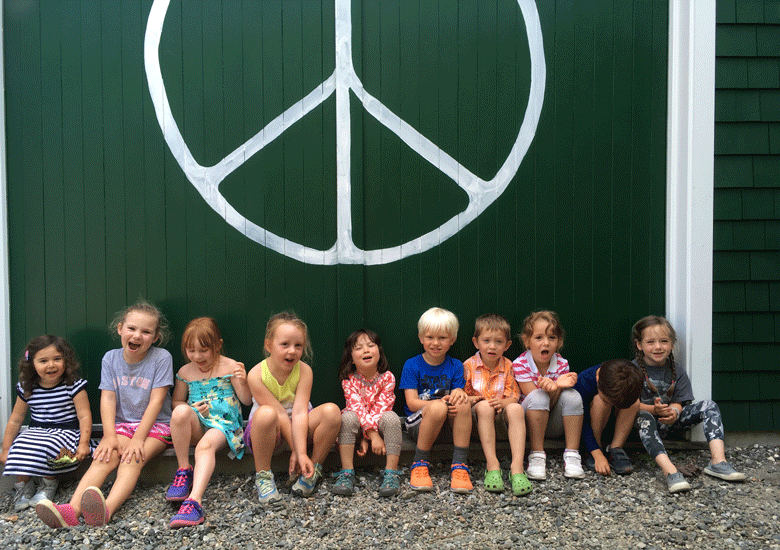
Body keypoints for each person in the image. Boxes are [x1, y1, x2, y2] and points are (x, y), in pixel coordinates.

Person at [36, 300, 174, 528]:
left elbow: (156, 401)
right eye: (132, 328)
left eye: (146, 331)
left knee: (131, 460)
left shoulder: (161, 358)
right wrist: (109, 436)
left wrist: (138, 438)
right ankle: (71, 510)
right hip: (123, 425)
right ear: (120, 329)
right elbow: (108, 398)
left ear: (156, 337)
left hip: (155, 425)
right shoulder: (110, 358)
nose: (137, 335)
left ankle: (106, 510)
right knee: (103, 457)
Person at [631, 315, 745, 493]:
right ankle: (670, 472)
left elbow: (679, 402)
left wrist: (674, 413)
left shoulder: (677, 370)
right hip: (642, 427)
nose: (658, 347)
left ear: (672, 344)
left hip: (670, 423)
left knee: (709, 405)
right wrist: (653, 409)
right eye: (650, 342)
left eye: (664, 341)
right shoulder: (633, 370)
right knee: (643, 416)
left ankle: (718, 461)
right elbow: (630, 405)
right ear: (639, 345)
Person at [245, 312, 341, 504]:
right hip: (270, 432)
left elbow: (298, 412)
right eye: (285, 344)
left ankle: (311, 470)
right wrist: (297, 450)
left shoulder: (304, 370)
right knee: (266, 414)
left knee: (332, 412)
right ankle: (263, 476)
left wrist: (301, 453)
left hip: (301, 427)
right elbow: (280, 413)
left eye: (298, 345)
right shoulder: (256, 374)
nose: (292, 351)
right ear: (268, 345)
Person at [166, 318, 252, 527]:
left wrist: (242, 380)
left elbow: (247, 401)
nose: (197, 356)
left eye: (203, 350)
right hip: (199, 422)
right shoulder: (185, 372)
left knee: (205, 446)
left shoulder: (230, 366)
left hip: (224, 425)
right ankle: (184, 470)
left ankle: (194, 501)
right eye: (191, 350)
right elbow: (176, 402)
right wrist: (193, 408)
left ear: (218, 345)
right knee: (180, 413)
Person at [1, 336, 94, 511]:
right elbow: (15, 419)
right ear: (32, 363)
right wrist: (6, 449)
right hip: (36, 430)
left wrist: (84, 443)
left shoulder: (73, 386)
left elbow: (84, 416)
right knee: (20, 443)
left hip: (66, 432)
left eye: (57, 359)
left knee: (48, 445)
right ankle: (24, 487)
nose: (51, 365)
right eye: (43, 361)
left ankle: (48, 485)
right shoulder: (27, 387)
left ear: (66, 361)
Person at [399, 307, 473, 494]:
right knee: (439, 407)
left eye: (442, 338)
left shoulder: (456, 365)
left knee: (463, 402)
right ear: (421, 338)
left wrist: (458, 396)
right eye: (430, 337)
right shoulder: (412, 364)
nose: (435, 343)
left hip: (447, 424)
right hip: (419, 424)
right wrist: (440, 405)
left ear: (452, 340)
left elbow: (457, 393)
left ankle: (459, 465)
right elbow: (412, 403)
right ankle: (420, 463)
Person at [463, 314, 532, 496]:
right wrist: (476, 400)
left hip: (501, 419)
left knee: (516, 408)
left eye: (498, 342)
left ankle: (517, 467)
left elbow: (514, 396)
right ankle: (492, 465)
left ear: (507, 345)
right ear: (476, 342)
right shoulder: (468, 366)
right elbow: (464, 396)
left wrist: (503, 402)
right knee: (485, 406)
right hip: (478, 422)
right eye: (486, 340)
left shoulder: (508, 366)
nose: (492, 346)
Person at [513, 311, 584, 480]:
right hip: (530, 423)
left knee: (573, 396)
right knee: (539, 395)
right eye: (538, 338)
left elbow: (559, 398)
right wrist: (556, 386)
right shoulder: (520, 364)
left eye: (552, 338)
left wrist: (559, 385)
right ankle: (537, 454)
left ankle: (572, 454)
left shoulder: (562, 364)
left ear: (559, 342)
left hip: (553, 423)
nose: (545, 343)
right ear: (526, 341)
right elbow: (533, 398)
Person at [332, 329, 403, 497]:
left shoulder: (387, 378)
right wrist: (370, 436)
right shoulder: (349, 380)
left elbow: (382, 408)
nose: (366, 350)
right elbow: (357, 408)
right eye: (358, 348)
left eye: (371, 346)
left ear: (379, 351)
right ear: (351, 357)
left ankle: (391, 472)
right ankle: (347, 472)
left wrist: (372, 435)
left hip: (379, 426)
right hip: (357, 429)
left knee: (392, 418)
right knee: (348, 417)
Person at [573, 358, 643, 476]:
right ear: (598, 379)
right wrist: (597, 453)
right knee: (600, 401)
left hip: (616, 425)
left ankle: (615, 449)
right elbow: (582, 423)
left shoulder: (627, 382)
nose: (610, 403)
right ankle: (594, 449)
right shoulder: (583, 382)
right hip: (591, 428)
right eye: (608, 400)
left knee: (635, 403)